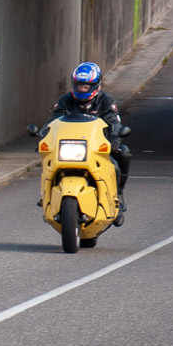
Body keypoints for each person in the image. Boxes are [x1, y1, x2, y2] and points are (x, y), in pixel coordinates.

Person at [46, 61, 131, 225]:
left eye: (86, 86)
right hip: (70, 145)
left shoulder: (106, 101)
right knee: (48, 161)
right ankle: (47, 198)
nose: (82, 90)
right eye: (79, 86)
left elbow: (114, 122)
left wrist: (115, 138)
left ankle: (117, 195)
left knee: (123, 153)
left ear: (95, 85)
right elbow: (53, 120)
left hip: (97, 146)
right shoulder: (65, 100)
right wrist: (44, 135)